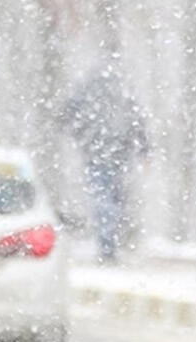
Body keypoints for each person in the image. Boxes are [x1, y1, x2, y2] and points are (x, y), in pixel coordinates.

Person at [60, 67, 148, 264]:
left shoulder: (88, 89)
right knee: (114, 200)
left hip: (96, 153)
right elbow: (136, 119)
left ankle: (106, 245)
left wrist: (80, 137)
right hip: (119, 153)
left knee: (103, 199)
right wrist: (144, 148)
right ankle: (109, 244)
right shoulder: (121, 90)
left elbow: (67, 115)